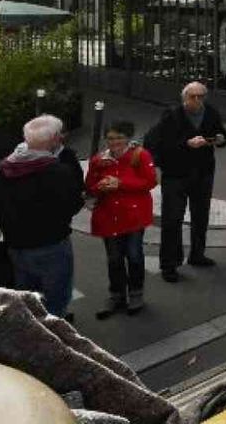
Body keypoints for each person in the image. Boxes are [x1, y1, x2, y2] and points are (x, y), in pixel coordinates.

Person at [0, 115, 85, 319]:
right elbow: (75, 205)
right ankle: (53, 339)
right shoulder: (59, 173)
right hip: (53, 247)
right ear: (54, 141)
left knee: (26, 302)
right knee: (56, 302)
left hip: (16, 249)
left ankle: (30, 336)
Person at [144, 81, 226, 282]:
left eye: (201, 96)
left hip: (203, 173)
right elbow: (155, 143)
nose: (198, 101)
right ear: (184, 98)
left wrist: (220, 139)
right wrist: (186, 144)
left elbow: (223, 134)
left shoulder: (210, 113)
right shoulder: (172, 116)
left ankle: (197, 254)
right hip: (176, 175)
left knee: (201, 216)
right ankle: (169, 264)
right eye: (193, 97)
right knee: (172, 220)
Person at [84, 121, 157, 319]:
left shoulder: (139, 155)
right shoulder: (99, 159)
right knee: (114, 258)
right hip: (109, 215)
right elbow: (90, 186)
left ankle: (136, 294)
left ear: (127, 138)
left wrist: (121, 183)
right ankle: (116, 295)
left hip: (133, 215)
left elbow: (150, 181)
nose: (115, 142)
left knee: (134, 255)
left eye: (119, 137)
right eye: (111, 138)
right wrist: (101, 186)